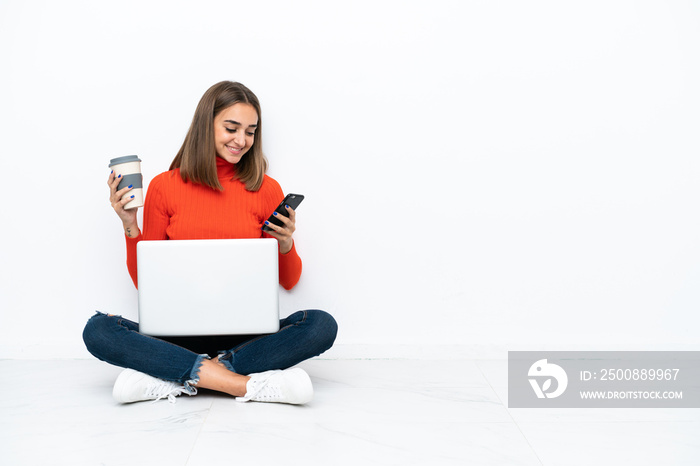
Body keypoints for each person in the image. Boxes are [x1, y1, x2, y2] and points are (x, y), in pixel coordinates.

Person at [83, 81, 338, 405]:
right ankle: (240, 384)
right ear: (207, 125)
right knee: (98, 329)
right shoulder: (165, 187)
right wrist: (130, 226)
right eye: (232, 128)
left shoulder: (266, 190)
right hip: (175, 336)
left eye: (250, 131)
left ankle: (176, 375)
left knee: (319, 325)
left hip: (247, 338)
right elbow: (144, 284)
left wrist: (285, 243)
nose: (242, 140)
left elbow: (290, 281)